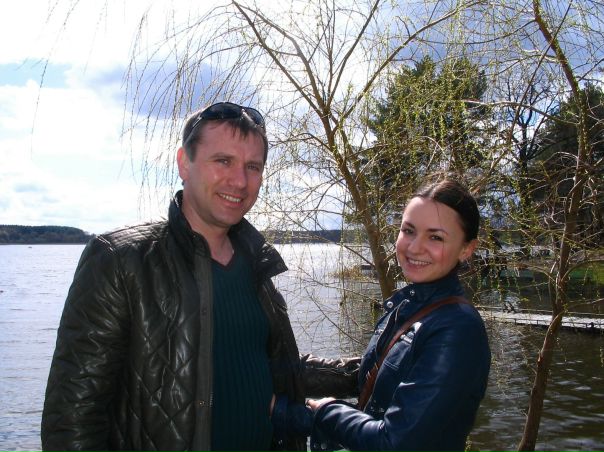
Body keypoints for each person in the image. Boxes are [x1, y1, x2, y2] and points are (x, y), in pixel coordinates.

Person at [41, 102, 358, 452]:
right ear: (184, 163)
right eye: (223, 161)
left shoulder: (256, 263)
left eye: (252, 167)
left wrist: (367, 370)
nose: (240, 181)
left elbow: (268, 367)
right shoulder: (121, 260)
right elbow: (71, 422)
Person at [306, 177, 491, 452]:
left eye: (436, 237)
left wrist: (325, 411)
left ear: (466, 249)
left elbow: (393, 443)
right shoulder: (407, 307)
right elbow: (375, 374)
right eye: (408, 230)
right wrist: (287, 368)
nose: (414, 247)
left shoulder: (457, 330)